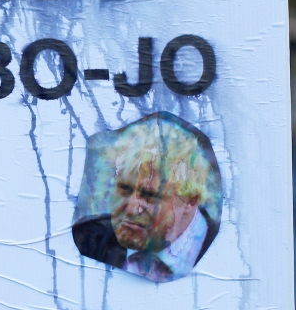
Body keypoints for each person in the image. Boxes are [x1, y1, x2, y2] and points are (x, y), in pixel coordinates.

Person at [72, 115, 218, 283]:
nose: (132, 208)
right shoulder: (86, 240)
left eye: (150, 196)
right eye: (124, 190)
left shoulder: (226, 255)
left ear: (190, 200)